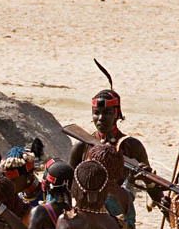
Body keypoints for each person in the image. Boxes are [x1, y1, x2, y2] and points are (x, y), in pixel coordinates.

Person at [69, 62, 163, 212]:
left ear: (117, 114)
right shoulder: (82, 146)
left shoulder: (132, 146)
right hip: (86, 213)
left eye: (107, 113)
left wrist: (151, 185)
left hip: (120, 213)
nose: (100, 118)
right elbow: (70, 185)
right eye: (96, 112)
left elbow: (153, 189)